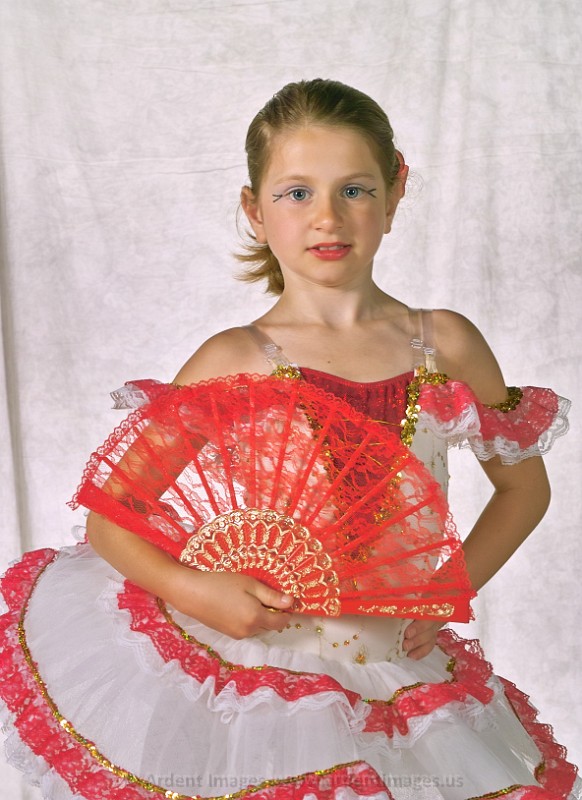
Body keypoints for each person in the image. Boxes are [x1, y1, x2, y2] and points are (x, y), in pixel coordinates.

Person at [0, 79, 578, 800]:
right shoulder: (235, 358)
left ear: (395, 193)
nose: (327, 216)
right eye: (296, 193)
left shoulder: (448, 344)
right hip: (261, 678)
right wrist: (194, 590)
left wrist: (445, 592)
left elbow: (523, 489)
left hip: (399, 671)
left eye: (355, 190)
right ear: (255, 210)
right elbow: (111, 516)